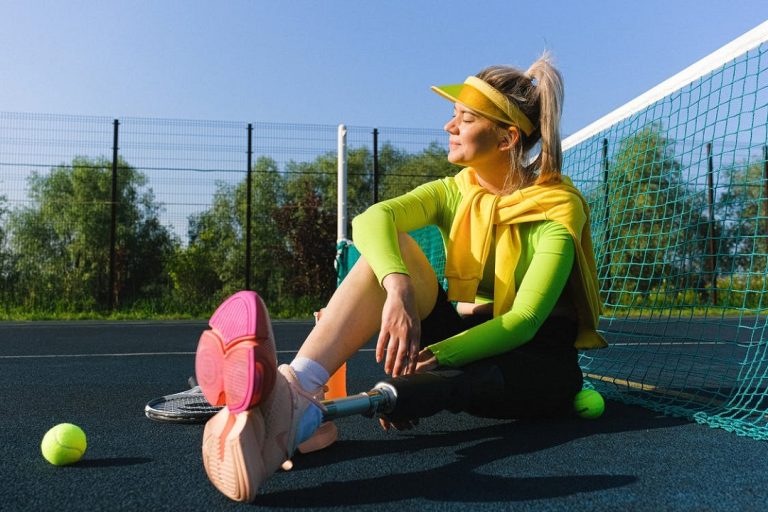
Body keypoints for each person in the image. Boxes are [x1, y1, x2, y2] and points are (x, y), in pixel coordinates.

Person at [194, 52, 607, 502]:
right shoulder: (456, 189)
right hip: (469, 333)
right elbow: (372, 219)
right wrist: (398, 286)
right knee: (389, 252)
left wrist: (433, 359)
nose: (449, 128)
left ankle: (296, 415)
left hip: (537, 363)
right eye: (453, 116)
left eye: (465, 119)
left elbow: (525, 318)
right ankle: (298, 394)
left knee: (467, 381)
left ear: (507, 138)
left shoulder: (558, 207)